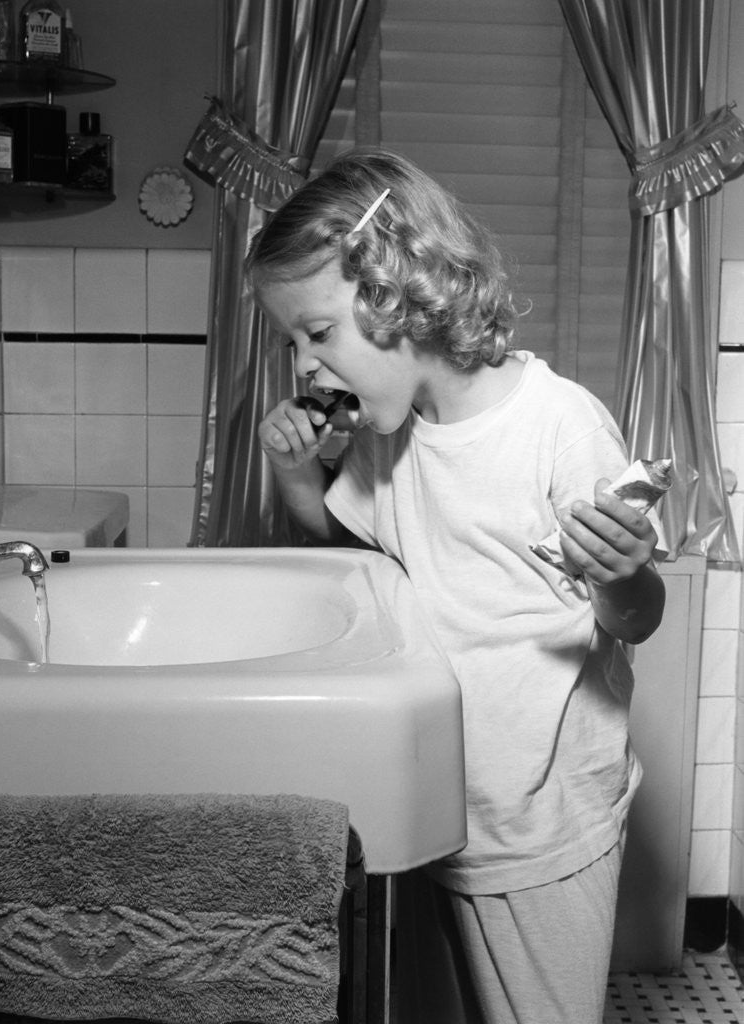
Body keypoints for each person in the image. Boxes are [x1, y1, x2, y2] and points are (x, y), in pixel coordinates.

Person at [248, 149, 666, 1024]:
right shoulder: (385, 435)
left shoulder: (555, 424)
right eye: (292, 342)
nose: (303, 367)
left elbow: (632, 618)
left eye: (317, 333)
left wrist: (622, 574)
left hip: (541, 820)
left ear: (396, 291)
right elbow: (356, 556)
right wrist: (294, 480)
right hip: (437, 797)